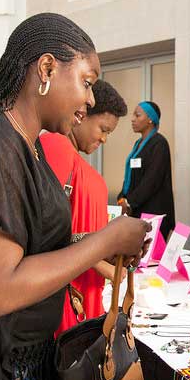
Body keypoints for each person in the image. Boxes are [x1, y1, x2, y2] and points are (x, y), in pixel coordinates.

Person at [0, 13, 150, 380]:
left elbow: (30, 244)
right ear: (45, 69)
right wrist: (105, 240)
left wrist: (100, 243)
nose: (90, 98)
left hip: (17, 374)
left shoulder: (25, 141)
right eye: (87, 81)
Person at [40, 79, 128, 335]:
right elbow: (47, 229)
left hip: (83, 287)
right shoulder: (56, 145)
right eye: (103, 129)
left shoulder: (69, 152)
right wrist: (104, 267)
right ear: (81, 115)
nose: (104, 138)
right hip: (68, 291)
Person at [117, 101, 175, 240]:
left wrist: (130, 202)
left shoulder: (159, 143)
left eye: (137, 115)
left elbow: (152, 180)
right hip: (137, 211)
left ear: (150, 119)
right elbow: (131, 175)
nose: (133, 119)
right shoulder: (138, 144)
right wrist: (122, 197)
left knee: (151, 259)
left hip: (154, 213)